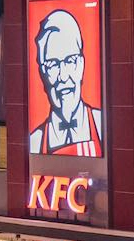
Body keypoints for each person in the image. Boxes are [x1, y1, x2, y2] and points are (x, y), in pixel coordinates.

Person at [29, 9, 104, 157]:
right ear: (42, 72)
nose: (63, 76)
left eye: (70, 61)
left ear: (81, 65)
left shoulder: (102, 125)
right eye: (53, 64)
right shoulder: (35, 141)